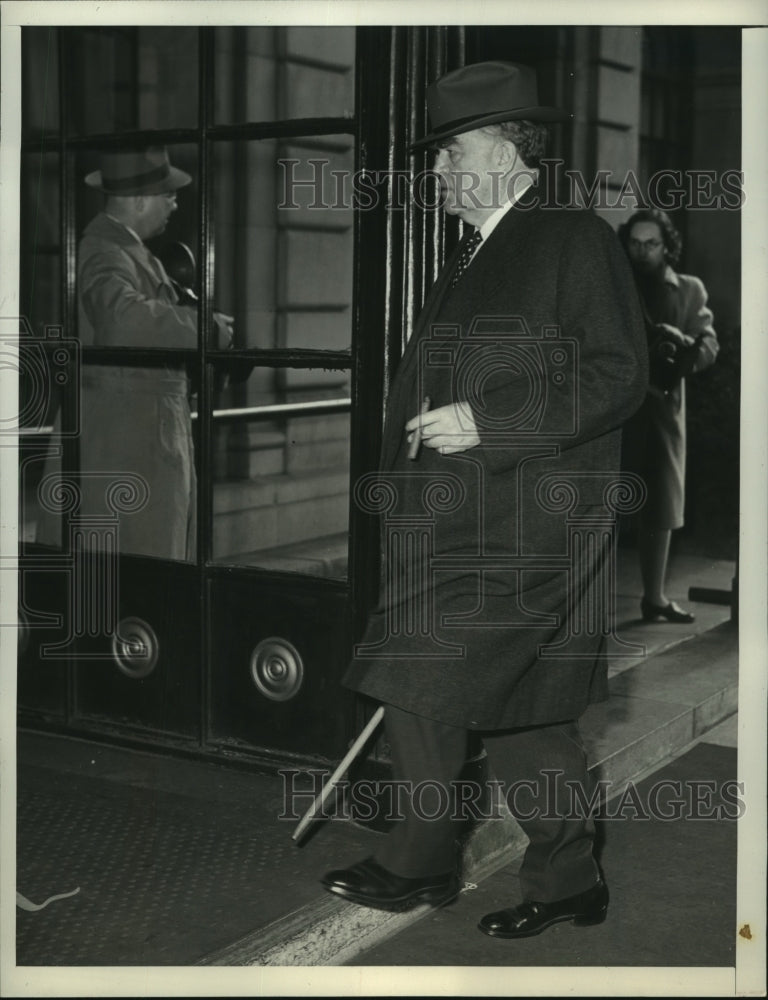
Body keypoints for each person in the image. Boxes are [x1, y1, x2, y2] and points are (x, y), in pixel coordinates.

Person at [321, 62, 648, 939]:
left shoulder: (572, 235)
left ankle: (419, 859)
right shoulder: (479, 248)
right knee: (522, 713)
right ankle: (570, 878)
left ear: (507, 151)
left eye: (450, 151)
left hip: (525, 524)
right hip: (458, 516)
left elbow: (620, 374)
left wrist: (489, 423)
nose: (436, 171)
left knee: (419, 668)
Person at [40, 146, 233, 560]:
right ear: (141, 199)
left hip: (136, 439)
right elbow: (122, 319)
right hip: (126, 444)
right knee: (135, 581)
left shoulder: (126, 251)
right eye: (169, 194)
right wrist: (206, 329)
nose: (175, 203)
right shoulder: (103, 252)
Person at [618, 208, 719, 624]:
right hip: (617, 407)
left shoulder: (689, 289)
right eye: (635, 243)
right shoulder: (614, 281)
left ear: (667, 246)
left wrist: (685, 348)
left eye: (652, 244)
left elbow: (709, 345)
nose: (642, 252)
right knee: (602, 503)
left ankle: (655, 597)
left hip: (661, 409)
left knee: (659, 507)